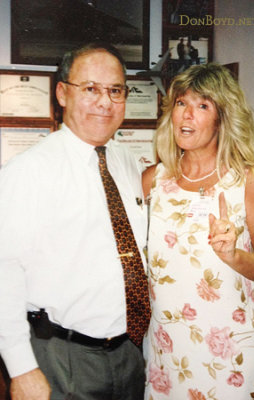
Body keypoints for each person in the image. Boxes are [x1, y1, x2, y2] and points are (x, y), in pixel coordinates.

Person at [0, 42, 149, 400]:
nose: (105, 102)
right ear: (63, 93)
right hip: (60, 358)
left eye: (115, 90)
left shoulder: (127, 162)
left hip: (129, 353)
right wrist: (21, 368)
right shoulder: (28, 172)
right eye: (91, 89)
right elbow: (3, 272)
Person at [142, 63, 254, 400]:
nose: (186, 116)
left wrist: (234, 256)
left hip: (228, 361)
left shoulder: (249, 180)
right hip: (168, 355)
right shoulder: (154, 180)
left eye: (202, 106)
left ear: (222, 118)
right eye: (181, 104)